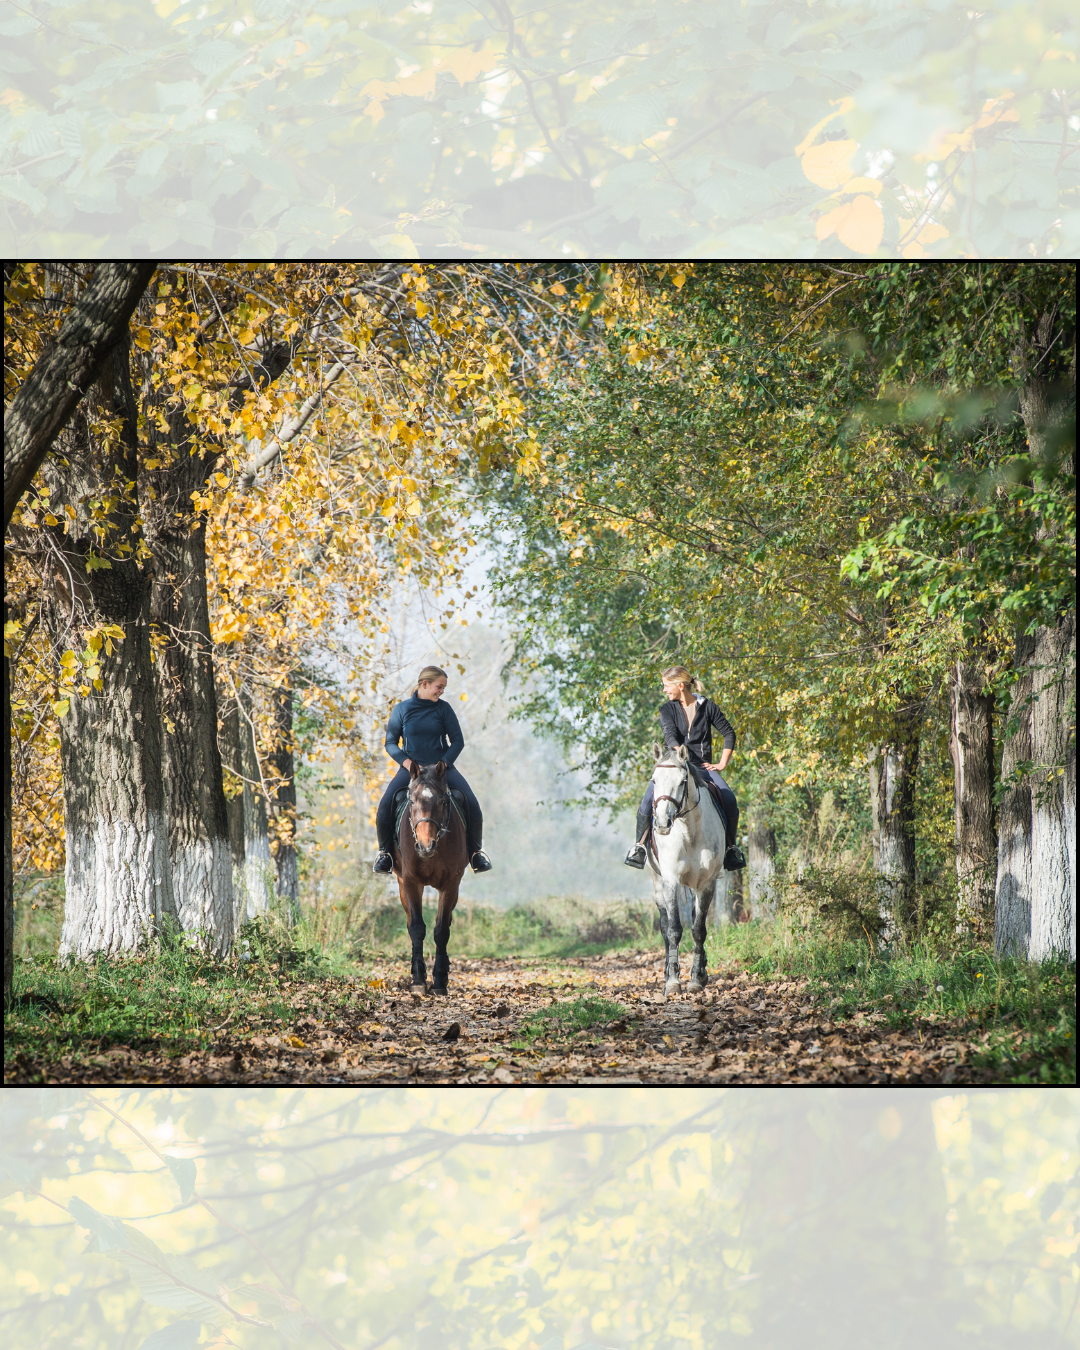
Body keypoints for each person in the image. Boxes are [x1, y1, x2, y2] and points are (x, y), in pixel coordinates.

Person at [372, 665, 492, 875]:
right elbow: (390, 743)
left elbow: (457, 741)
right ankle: (385, 855)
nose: (441, 691)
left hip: (441, 770)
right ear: (424, 684)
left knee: (472, 803)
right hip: (413, 770)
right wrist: (407, 763)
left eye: (444, 688)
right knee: (385, 805)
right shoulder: (402, 710)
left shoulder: (444, 709)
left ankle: (475, 854)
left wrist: (444, 763)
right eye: (439, 686)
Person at [624, 665, 746, 871]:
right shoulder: (667, 709)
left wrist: (722, 763)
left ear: (681, 685)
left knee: (730, 799)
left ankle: (731, 849)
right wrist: (679, 752)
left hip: (702, 767)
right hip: (674, 765)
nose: (664, 690)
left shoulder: (708, 706)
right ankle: (639, 848)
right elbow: (669, 735)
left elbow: (728, 733)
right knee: (647, 801)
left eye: (666, 686)